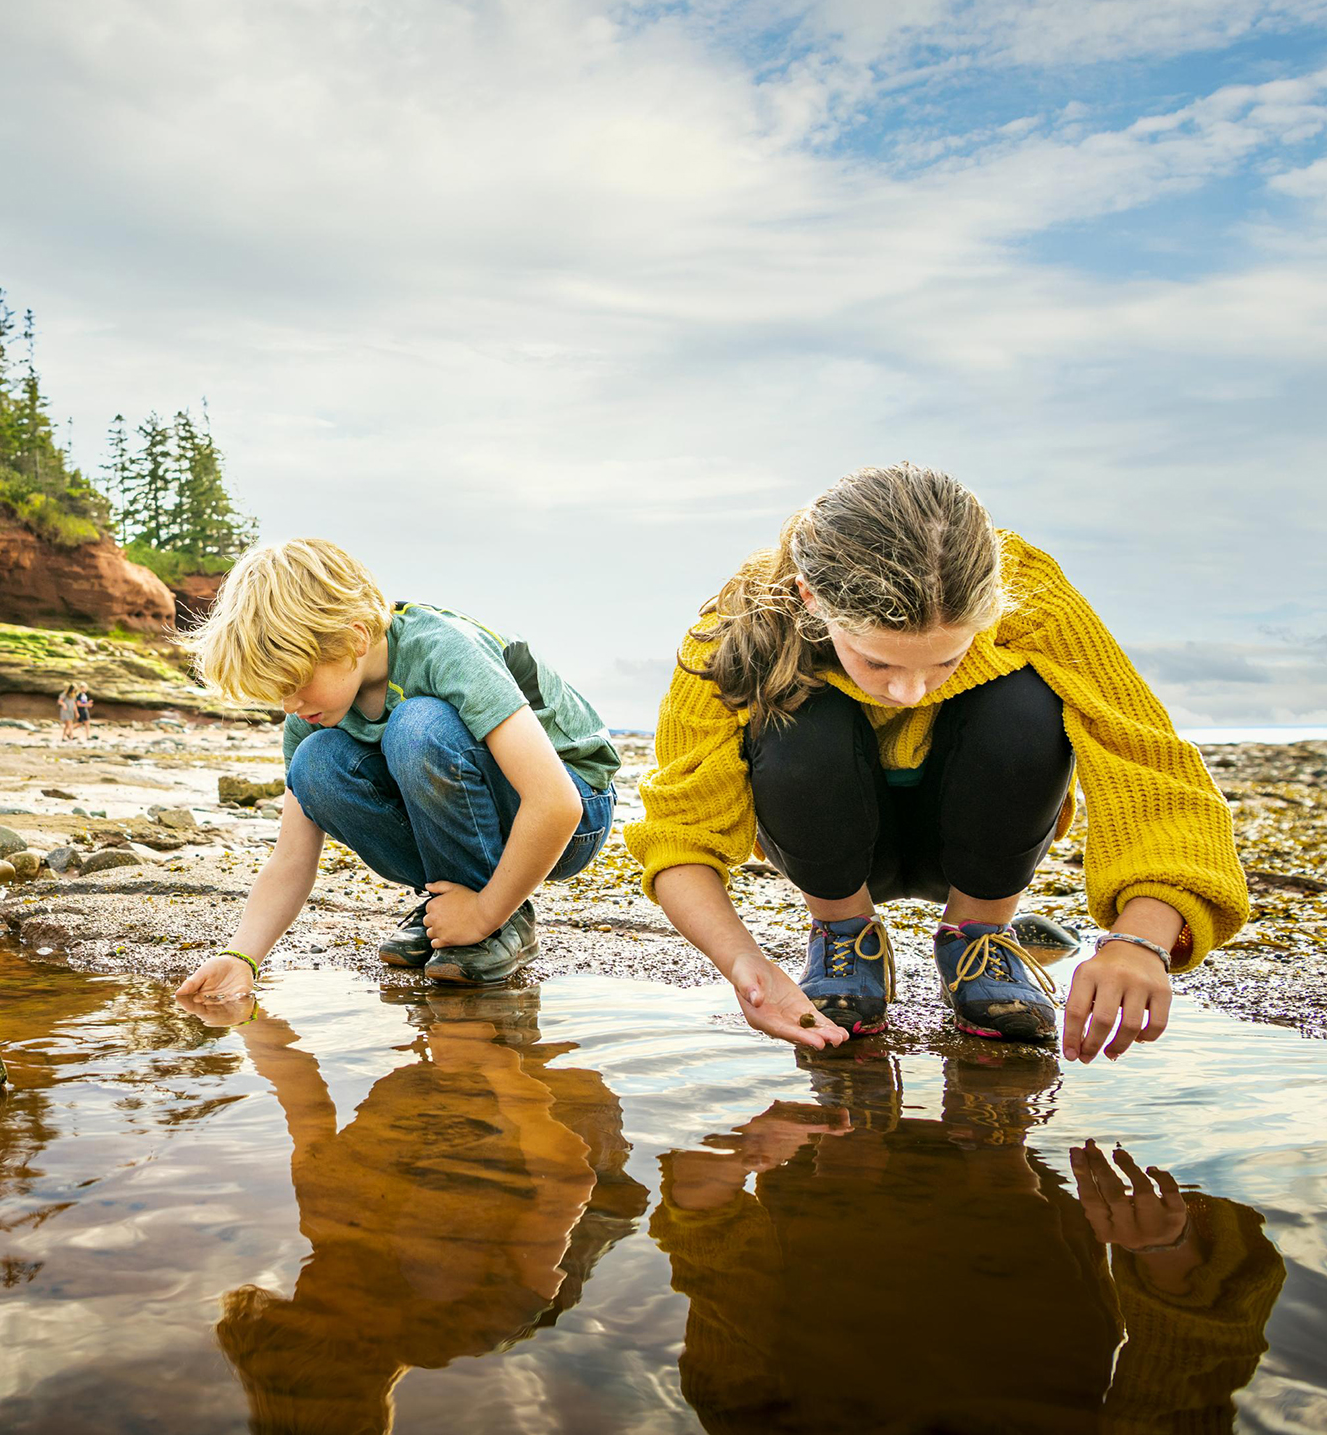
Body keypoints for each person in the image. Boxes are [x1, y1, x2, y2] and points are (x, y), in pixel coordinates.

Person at [626, 463, 1248, 1060]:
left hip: (982, 837)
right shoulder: (735, 626)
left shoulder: (1036, 600)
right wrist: (749, 967)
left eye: (946, 660)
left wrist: (1139, 940)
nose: (910, 692)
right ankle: (846, 938)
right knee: (793, 713)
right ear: (809, 597)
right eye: (880, 662)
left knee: (1026, 702)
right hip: (828, 839)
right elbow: (680, 834)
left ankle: (979, 938)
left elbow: (1151, 768)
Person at [651, 1050, 1284, 1433]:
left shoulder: (753, 1419)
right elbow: (1188, 1379)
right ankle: (991, 1151)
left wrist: (725, 1171)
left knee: (851, 1127)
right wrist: (1163, 1256)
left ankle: (882, 1139)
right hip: (1013, 1233)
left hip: (834, 1187)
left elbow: (721, 1292)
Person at [177, 537, 618, 991]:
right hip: (491, 818)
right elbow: (291, 857)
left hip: (572, 812)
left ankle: (497, 920)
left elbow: (556, 803)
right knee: (314, 763)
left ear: (355, 637)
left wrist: (486, 913)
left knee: (419, 724)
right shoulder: (310, 715)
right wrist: (242, 957)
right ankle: (447, 904)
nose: (290, 705)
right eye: (276, 692)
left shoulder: (443, 650)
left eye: (297, 683)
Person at [206, 989, 646, 1434]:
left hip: (448, 1120)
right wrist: (496, 1066)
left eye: (300, 1301)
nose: (310, 1284)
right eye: (321, 1310)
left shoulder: (331, 1217)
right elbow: (569, 1178)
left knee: (451, 973)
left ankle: (471, 967)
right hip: (570, 1131)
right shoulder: (471, 1322)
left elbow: (300, 1091)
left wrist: (245, 1015)